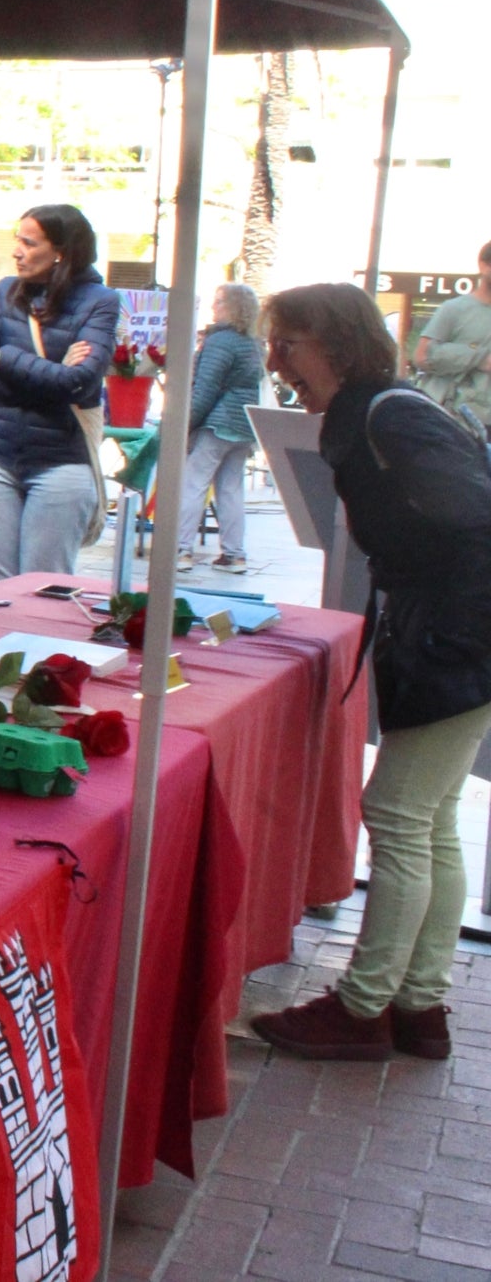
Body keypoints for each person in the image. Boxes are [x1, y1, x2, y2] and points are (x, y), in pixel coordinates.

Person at [249, 285, 491, 1061]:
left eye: (289, 342)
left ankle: (364, 1008)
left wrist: (433, 598)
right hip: (455, 629)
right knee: (429, 819)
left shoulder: (390, 410)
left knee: (396, 814)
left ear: (340, 345)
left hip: (456, 633)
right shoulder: (386, 406)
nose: (275, 358)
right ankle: (419, 1006)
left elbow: (474, 512)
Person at [0, 204, 120, 581]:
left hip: (60, 465)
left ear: (61, 251)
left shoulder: (101, 301)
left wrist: (8, 358)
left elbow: (80, 381)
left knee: (43, 586)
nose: (16, 251)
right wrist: (52, 376)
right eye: (17, 240)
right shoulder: (5, 293)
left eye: (28, 242)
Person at [174, 283, 263, 572]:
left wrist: (185, 425)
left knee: (193, 483)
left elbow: (205, 388)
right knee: (231, 489)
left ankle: (181, 550)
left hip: (218, 423)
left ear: (233, 307)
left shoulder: (220, 341)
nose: (214, 307)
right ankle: (234, 554)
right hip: (243, 424)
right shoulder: (252, 342)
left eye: (219, 301)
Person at [413, 241, 491, 421]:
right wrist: (477, 357)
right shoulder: (454, 309)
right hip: (452, 416)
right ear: (483, 265)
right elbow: (422, 356)